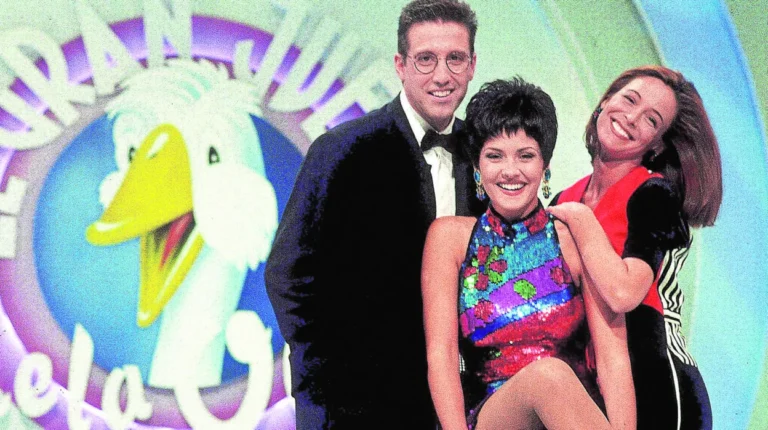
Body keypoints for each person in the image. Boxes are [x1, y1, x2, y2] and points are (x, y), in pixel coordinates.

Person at [264, 0, 484, 428]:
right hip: (354, 406)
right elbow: (288, 274)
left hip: (455, 405)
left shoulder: (485, 154)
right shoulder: (342, 149)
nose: (442, 75)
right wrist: (323, 381)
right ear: (400, 65)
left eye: (455, 58)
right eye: (426, 59)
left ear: (473, 65)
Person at [423, 78, 637, 430]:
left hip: (570, 417)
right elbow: (441, 356)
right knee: (548, 375)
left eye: (525, 156)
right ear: (477, 167)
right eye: (495, 156)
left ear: (544, 165)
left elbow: (613, 359)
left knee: (554, 378)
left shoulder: (574, 239)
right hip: (495, 416)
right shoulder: (451, 239)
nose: (510, 171)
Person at [548, 65, 722, 429]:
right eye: (629, 100)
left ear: (656, 144)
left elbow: (624, 293)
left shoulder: (654, 193)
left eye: (651, 119)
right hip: (596, 383)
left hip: (656, 383)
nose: (631, 118)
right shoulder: (566, 196)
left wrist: (580, 220)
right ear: (605, 101)